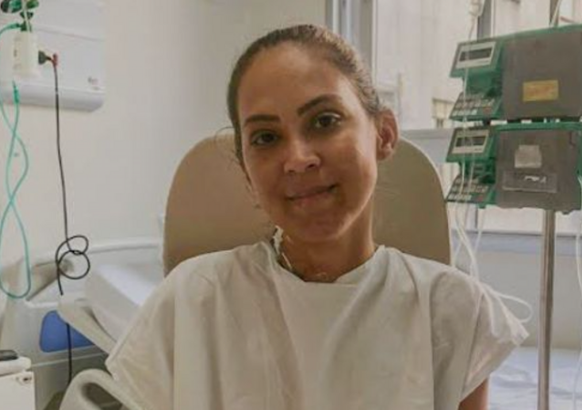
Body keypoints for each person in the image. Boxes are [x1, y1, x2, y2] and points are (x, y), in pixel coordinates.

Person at [106, 24, 527, 410]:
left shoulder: (453, 313)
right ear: (246, 170)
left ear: (383, 134)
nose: (298, 159)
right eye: (266, 137)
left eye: (325, 121)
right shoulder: (189, 303)